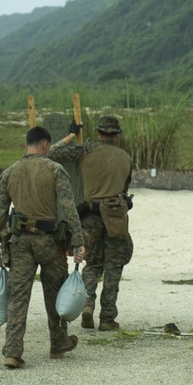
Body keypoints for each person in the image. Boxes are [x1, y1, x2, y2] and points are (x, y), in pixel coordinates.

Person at [0, 126, 86, 369]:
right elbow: (68, 206)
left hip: (19, 243)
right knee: (54, 293)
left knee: (18, 297)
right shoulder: (55, 170)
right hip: (50, 242)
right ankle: (58, 342)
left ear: (27, 144)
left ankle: (12, 351)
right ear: (45, 145)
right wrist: (78, 241)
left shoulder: (10, 172)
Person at [48, 115, 133, 331]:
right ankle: (107, 318)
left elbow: (53, 152)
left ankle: (88, 304)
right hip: (116, 217)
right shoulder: (125, 157)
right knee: (114, 267)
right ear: (116, 134)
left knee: (93, 264)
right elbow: (124, 189)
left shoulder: (86, 150)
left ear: (98, 132)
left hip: (91, 215)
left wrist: (71, 134)